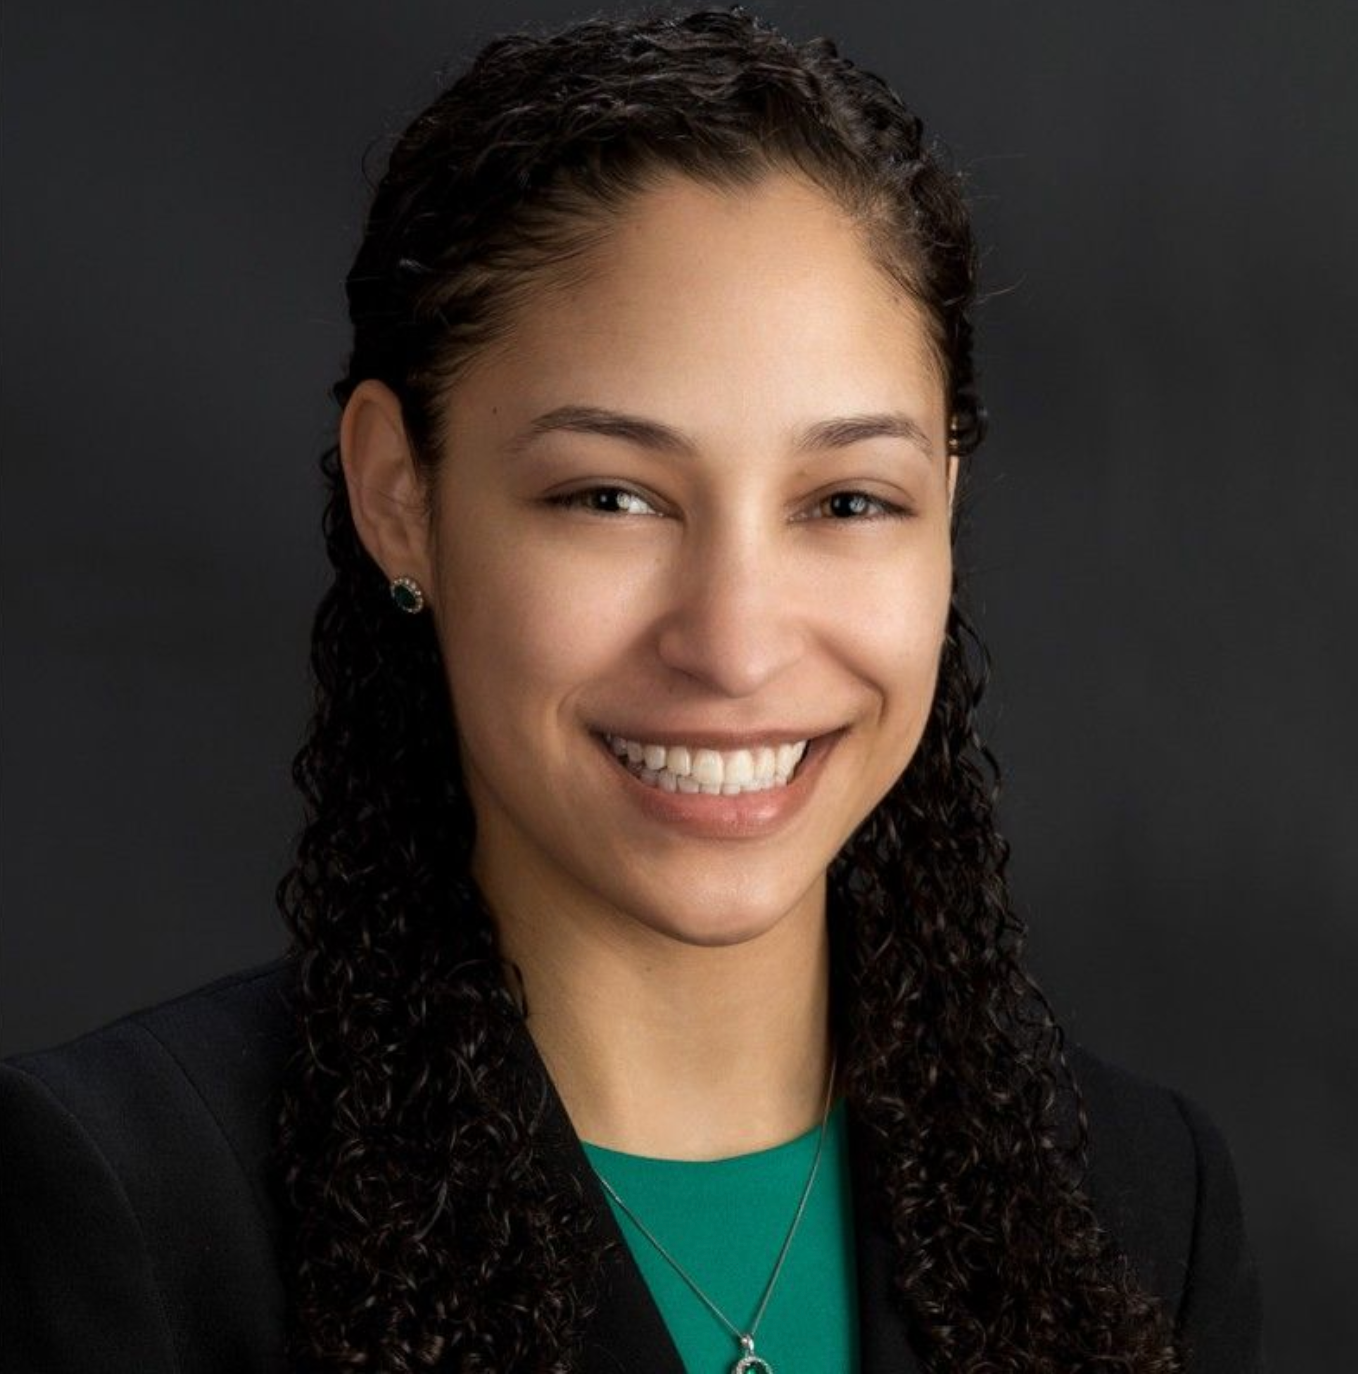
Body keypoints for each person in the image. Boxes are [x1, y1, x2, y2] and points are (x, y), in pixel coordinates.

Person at [0, 6, 1265, 1372]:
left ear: (942, 509)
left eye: (846, 498)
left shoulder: (1140, 1204)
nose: (731, 641)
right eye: (608, 495)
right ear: (396, 494)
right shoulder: (125, 1205)